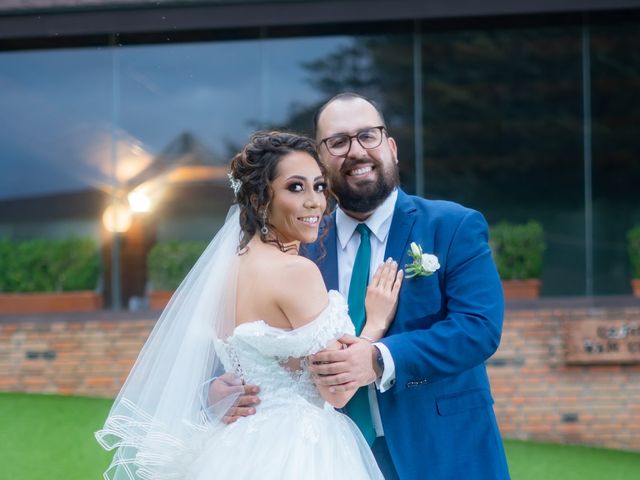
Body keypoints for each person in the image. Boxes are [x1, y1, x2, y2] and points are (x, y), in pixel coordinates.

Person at [225, 93, 512, 479]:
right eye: (338, 142)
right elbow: (244, 333)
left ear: (390, 147)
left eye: (368, 136)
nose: (356, 151)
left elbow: (478, 329)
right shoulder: (299, 243)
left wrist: (379, 358)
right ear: (321, 161)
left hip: (440, 449)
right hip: (324, 457)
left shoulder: (452, 226)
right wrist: (219, 390)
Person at [95, 131, 403, 480]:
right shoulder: (297, 272)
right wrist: (374, 325)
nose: (315, 202)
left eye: (318, 186)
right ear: (259, 200)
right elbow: (336, 392)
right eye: (295, 187)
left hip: (234, 447)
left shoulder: (227, 271)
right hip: (299, 452)